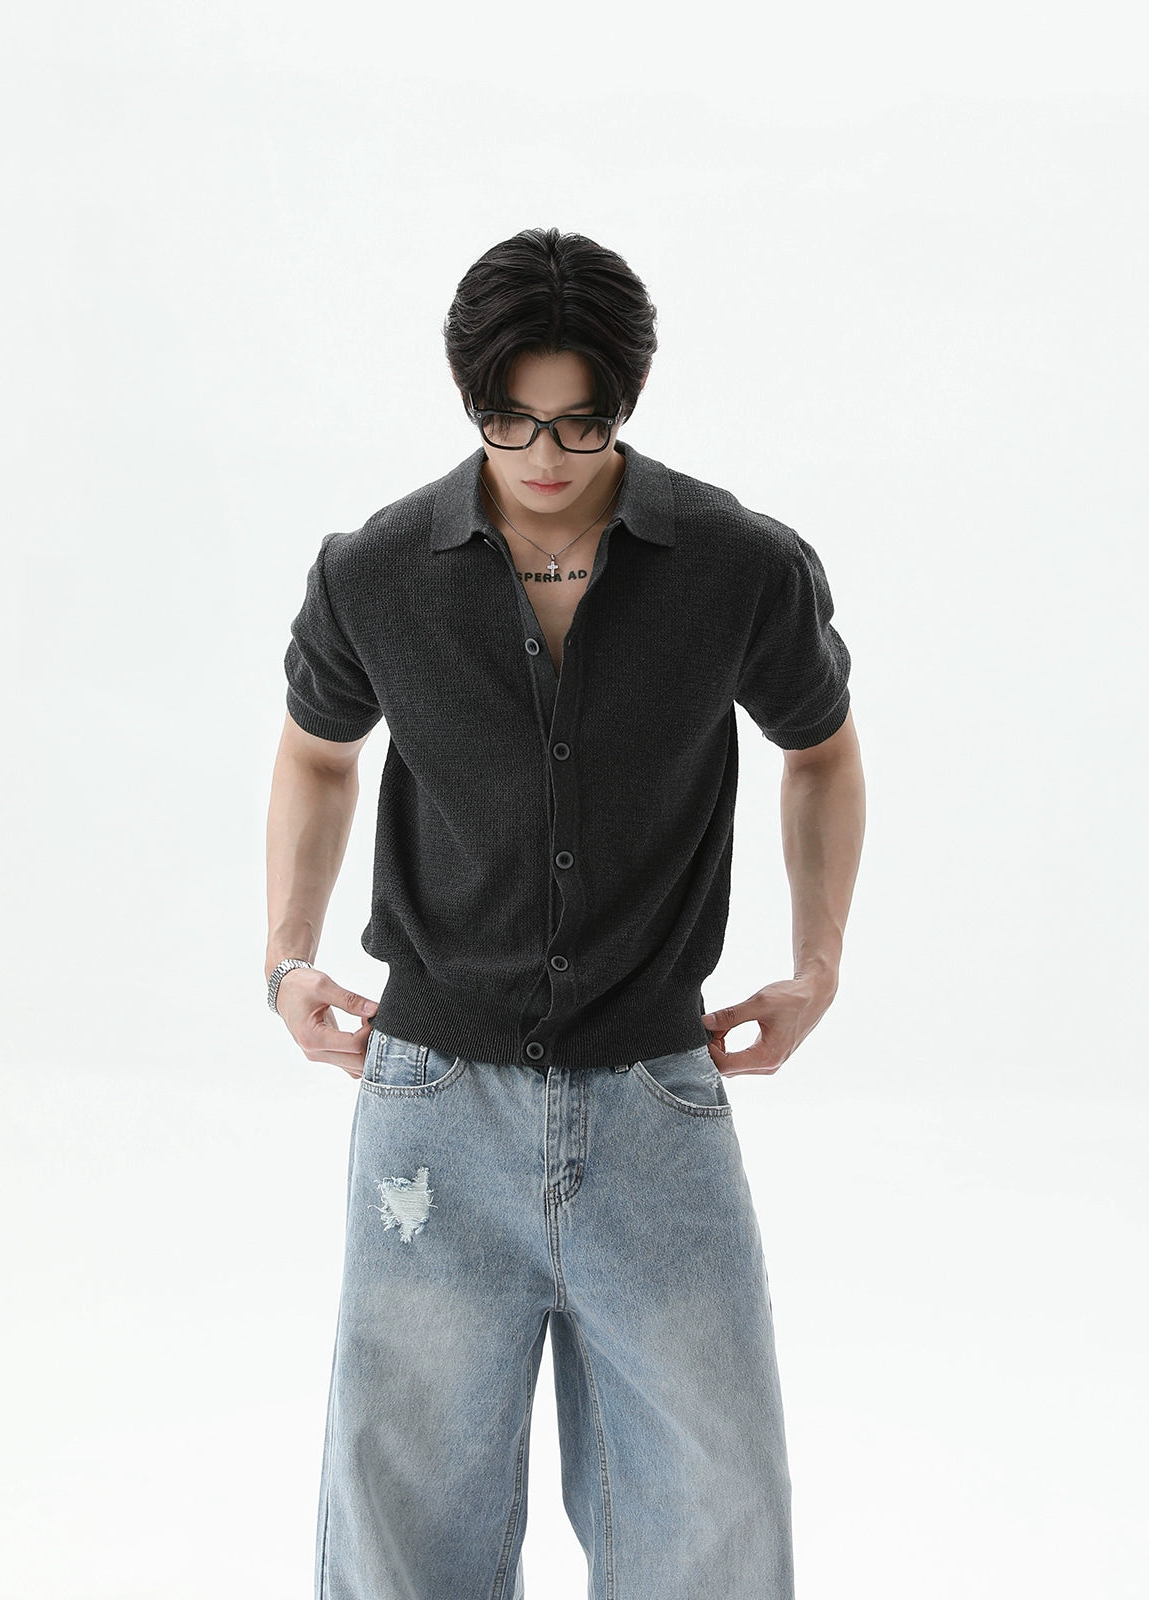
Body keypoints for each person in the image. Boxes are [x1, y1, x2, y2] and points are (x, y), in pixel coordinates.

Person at [264, 226, 866, 1600]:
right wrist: (287, 956)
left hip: (657, 1095)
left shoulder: (735, 565)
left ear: (625, 404)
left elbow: (822, 750)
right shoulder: (374, 572)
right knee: (401, 1527)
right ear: (469, 398)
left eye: (581, 423)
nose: (544, 455)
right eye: (511, 419)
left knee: (714, 1525)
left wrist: (817, 964)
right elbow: (315, 754)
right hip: (431, 1103)